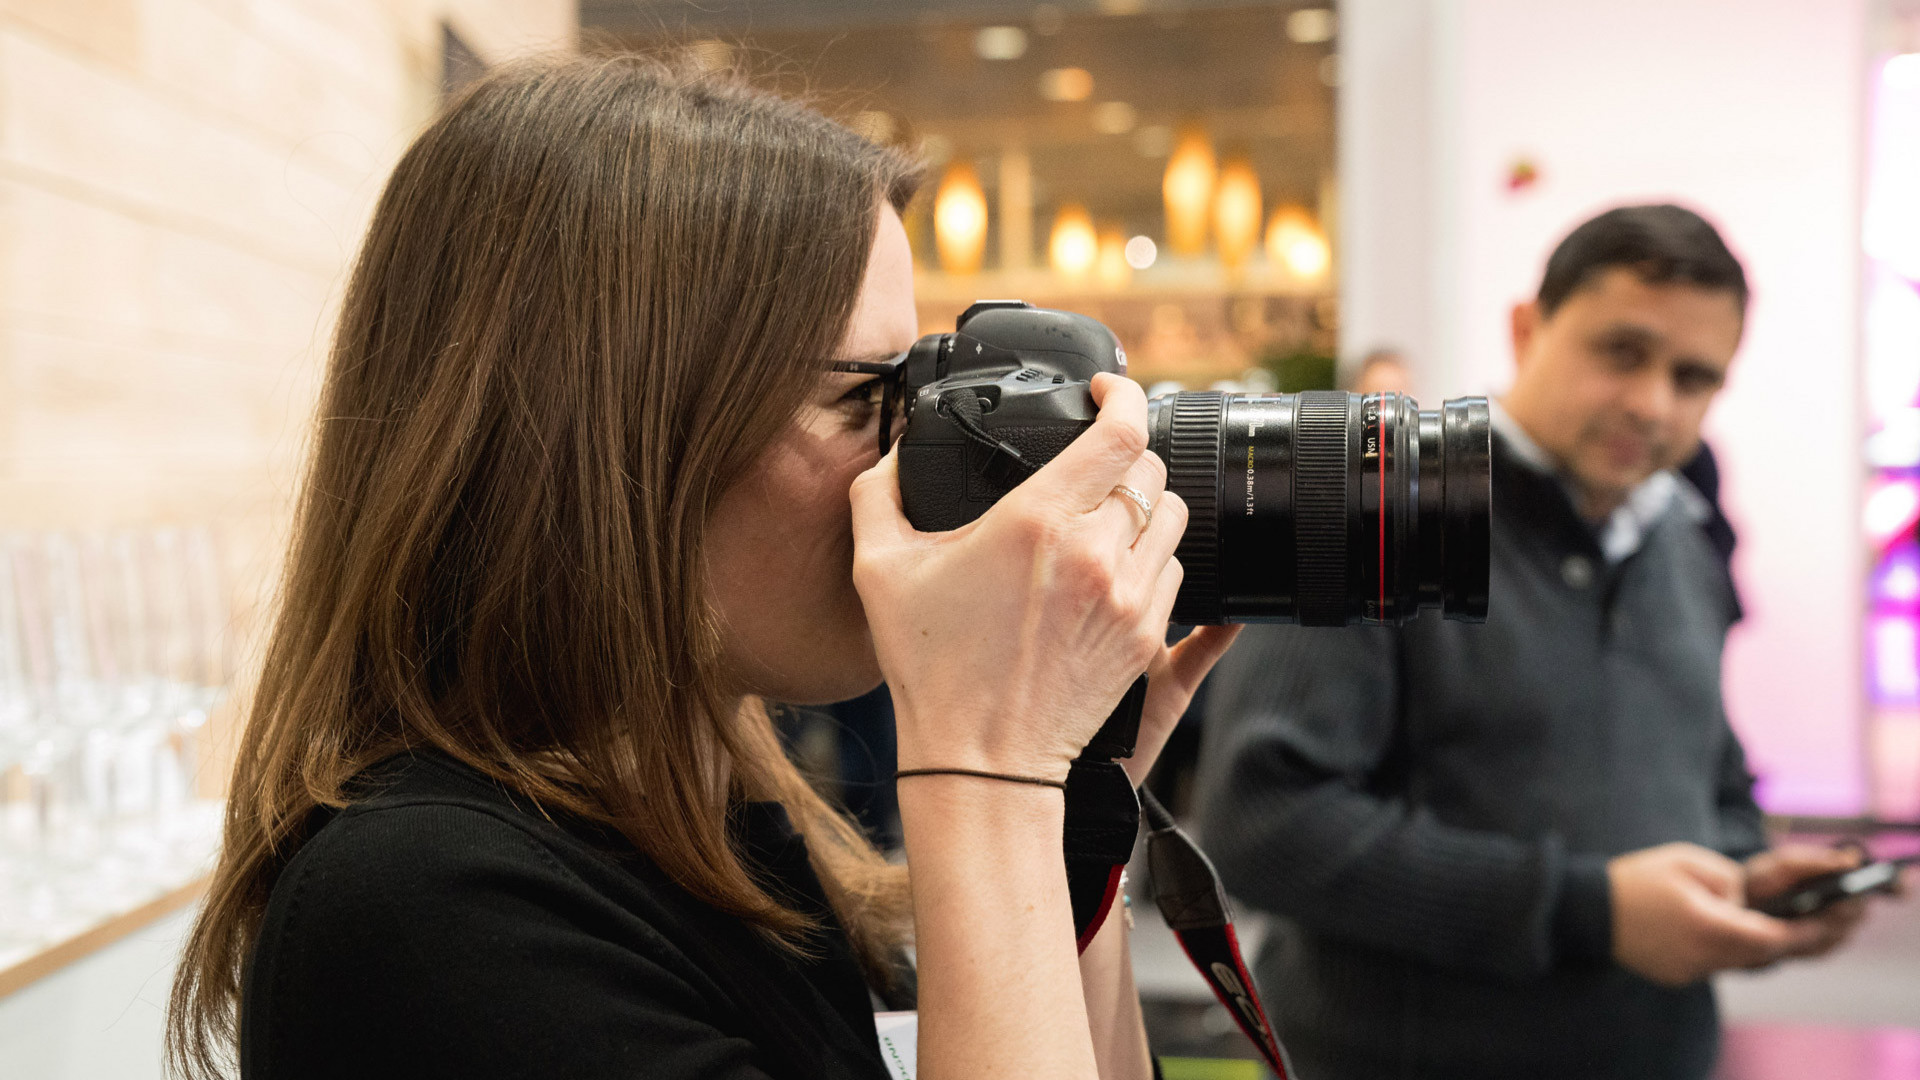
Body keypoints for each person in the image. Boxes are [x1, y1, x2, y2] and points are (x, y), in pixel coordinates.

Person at [163, 56, 1239, 1080]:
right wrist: (990, 772)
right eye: (868, 396)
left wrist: (1065, 802)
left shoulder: (707, 822)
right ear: (612, 440)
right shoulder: (424, 914)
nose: (912, 466)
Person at [1194, 204, 1885, 1080]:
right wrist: (1592, 911)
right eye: (1621, 352)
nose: (1652, 402)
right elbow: (1266, 827)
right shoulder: (1377, 512)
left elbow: (1709, 780)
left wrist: (1750, 879)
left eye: (1693, 377)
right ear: (1527, 329)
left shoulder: (1679, 540)